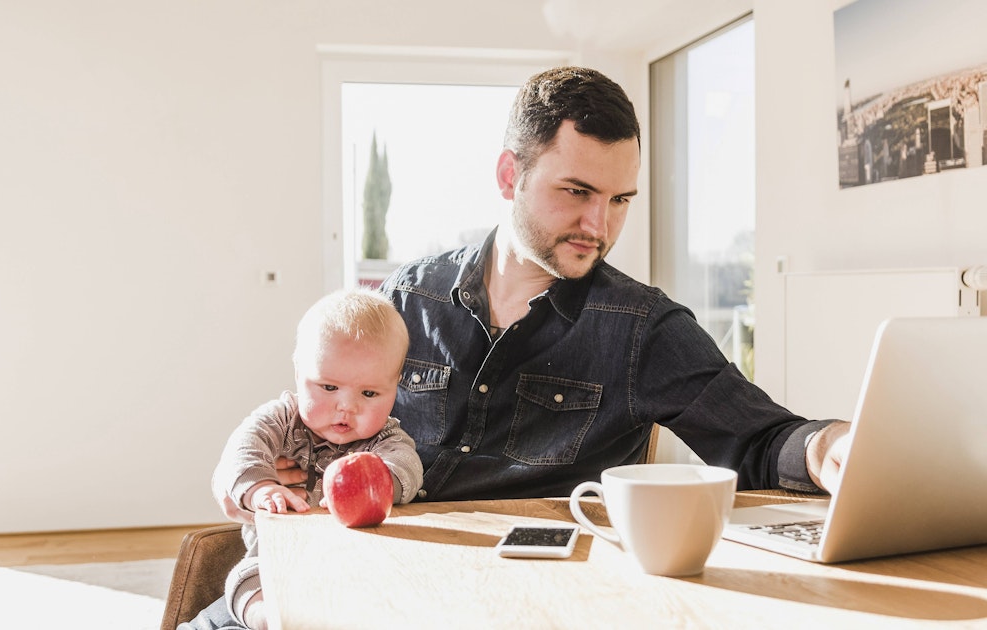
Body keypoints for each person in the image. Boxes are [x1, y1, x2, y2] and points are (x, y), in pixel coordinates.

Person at [195, 65, 851, 629]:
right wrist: (292, 476)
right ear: (510, 175)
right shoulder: (408, 298)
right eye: (576, 192)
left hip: (535, 600)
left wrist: (832, 450)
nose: (600, 225)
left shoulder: (641, 327)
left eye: (620, 199)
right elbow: (326, 423)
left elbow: (761, 439)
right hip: (374, 579)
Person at [188, 288, 423, 630]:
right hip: (275, 560)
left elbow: (408, 465)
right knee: (247, 580)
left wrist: (382, 481)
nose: (347, 406)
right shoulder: (281, 419)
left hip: (355, 563)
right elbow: (243, 448)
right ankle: (271, 620)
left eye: (369, 393)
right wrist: (259, 488)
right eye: (328, 388)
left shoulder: (385, 439)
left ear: (395, 387)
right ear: (299, 372)